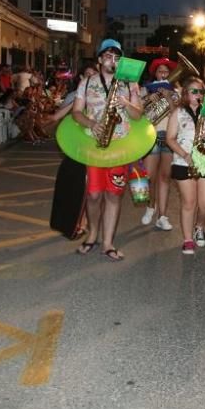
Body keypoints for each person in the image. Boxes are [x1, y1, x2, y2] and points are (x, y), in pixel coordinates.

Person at [71, 39, 143, 261]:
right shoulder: (86, 82)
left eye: (118, 57)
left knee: (113, 194)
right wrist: (92, 124)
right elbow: (76, 112)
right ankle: (92, 234)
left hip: (119, 145)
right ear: (100, 59)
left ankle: (108, 242)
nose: (114, 61)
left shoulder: (130, 84)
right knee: (93, 195)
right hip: (95, 144)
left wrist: (127, 103)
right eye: (110, 56)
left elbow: (137, 115)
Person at [166, 76, 205, 255]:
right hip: (184, 162)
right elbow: (170, 139)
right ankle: (188, 239)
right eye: (194, 91)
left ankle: (199, 226)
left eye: (201, 91)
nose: (199, 94)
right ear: (186, 93)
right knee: (189, 203)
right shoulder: (178, 112)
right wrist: (185, 155)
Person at [140, 57, 177, 232]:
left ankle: (162, 216)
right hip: (151, 135)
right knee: (149, 178)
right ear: (155, 73)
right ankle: (150, 207)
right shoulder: (145, 89)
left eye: (166, 71)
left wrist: (169, 98)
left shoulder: (176, 91)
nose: (163, 74)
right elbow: (137, 112)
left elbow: (178, 114)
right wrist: (148, 98)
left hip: (168, 136)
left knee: (165, 178)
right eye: (160, 71)